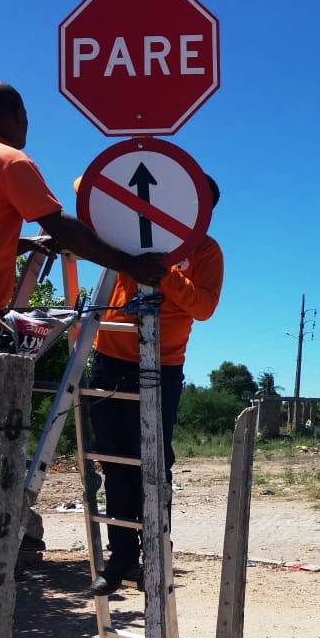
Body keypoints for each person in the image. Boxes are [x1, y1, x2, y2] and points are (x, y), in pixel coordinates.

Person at [0, 81, 166, 545]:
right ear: (17, 115)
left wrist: (21, 243)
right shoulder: (11, 160)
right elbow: (59, 224)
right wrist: (130, 263)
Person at [87, 176, 224, 596]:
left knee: (153, 465)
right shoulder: (134, 229)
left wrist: (163, 273)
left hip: (161, 366)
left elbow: (203, 307)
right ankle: (120, 557)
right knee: (114, 463)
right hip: (109, 360)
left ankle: (155, 557)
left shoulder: (204, 250)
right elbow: (86, 185)